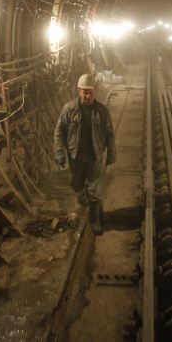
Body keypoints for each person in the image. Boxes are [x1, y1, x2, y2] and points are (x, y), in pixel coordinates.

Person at [53, 73, 116, 235]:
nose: (88, 96)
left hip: (95, 155)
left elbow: (109, 133)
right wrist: (59, 150)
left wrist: (111, 153)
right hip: (75, 156)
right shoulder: (69, 109)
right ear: (78, 91)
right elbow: (60, 130)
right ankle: (82, 192)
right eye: (84, 92)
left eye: (91, 92)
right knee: (77, 184)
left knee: (94, 190)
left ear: (95, 92)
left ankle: (94, 220)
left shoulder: (102, 111)